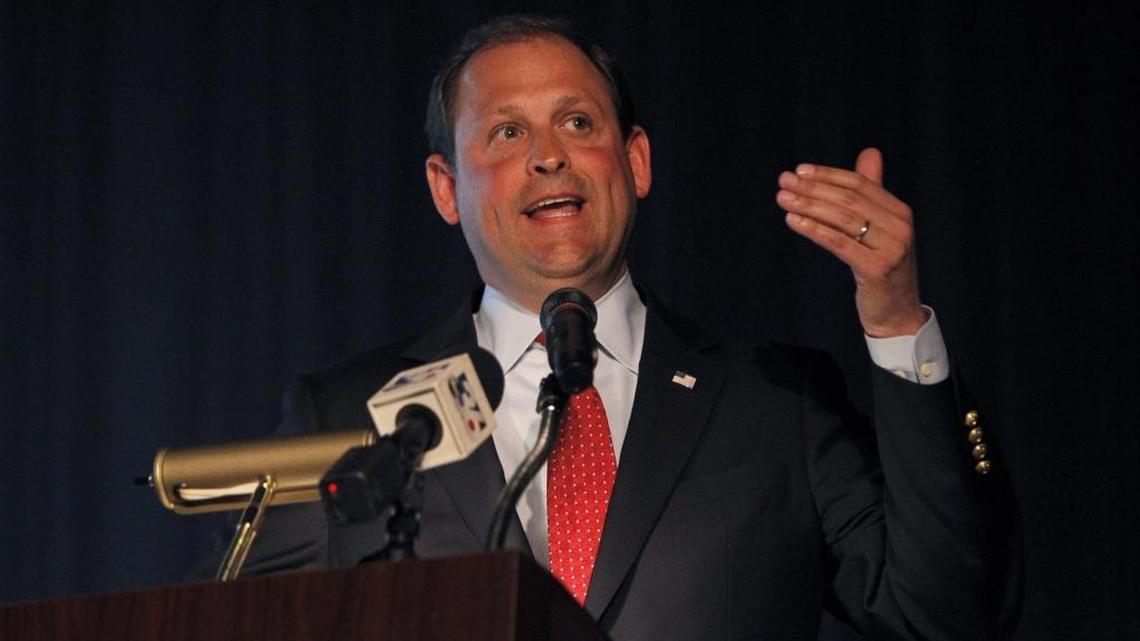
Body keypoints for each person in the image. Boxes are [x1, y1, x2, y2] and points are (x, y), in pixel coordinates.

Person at [237, 14, 1021, 641]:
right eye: (507, 133)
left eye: (577, 122)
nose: (549, 156)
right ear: (446, 189)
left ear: (635, 161)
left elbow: (947, 612)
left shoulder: (777, 402)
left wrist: (895, 319)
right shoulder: (347, 416)